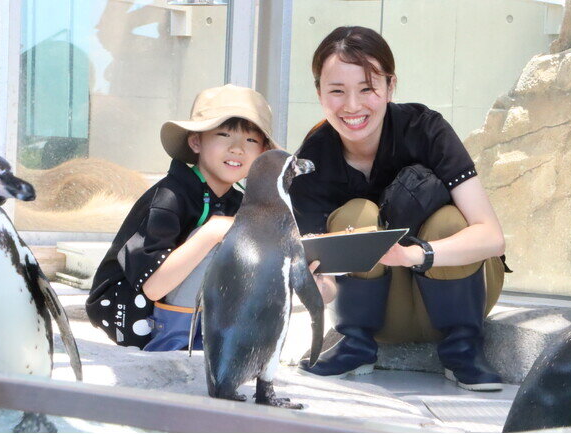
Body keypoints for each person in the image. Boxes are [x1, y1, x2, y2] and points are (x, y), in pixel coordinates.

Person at [291, 26, 508, 391]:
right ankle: (355, 343)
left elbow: (491, 236)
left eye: (367, 88)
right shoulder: (311, 160)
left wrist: (414, 255)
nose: (353, 106)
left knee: (450, 220)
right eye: (337, 91)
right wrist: (314, 287)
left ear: (391, 86)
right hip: (378, 317)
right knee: (355, 216)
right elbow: (322, 279)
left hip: (452, 301)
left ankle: (463, 348)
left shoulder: (425, 129)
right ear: (318, 93)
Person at [86, 84, 278, 351]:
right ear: (196, 141)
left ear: (263, 153)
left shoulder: (237, 202)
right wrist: (211, 233)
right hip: (130, 310)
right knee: (216, 238)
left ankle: (216, 339)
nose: (237, 149)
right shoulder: (169, 196)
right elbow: (152, 287)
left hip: (185, 311)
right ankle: (172, 344)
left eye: (251, 140)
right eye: (224, 134)